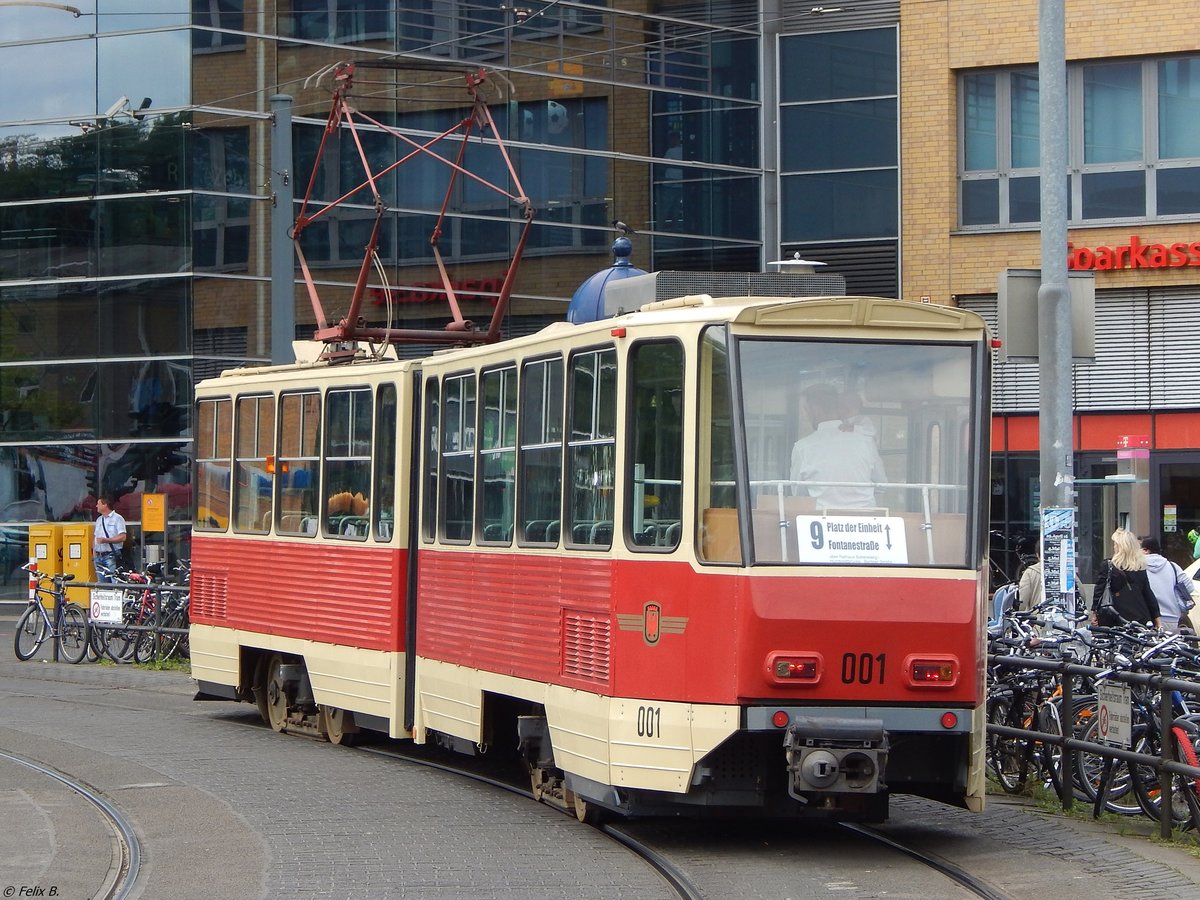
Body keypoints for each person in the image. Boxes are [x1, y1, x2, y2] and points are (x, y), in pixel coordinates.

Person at [790, 383, 887, 511]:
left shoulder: (802, 448)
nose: (805, 416)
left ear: (815, 410)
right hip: (866, 522)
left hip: (823, 523)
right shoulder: (865, 441)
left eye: (805, 410)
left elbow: (798, 494)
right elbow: (882, 485)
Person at [1091, 528, 1161, 629]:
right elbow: (1148, 594)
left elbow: (1099, 592)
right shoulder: (1139, 567)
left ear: (1120, 547)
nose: (1114, 547)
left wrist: (1094, 613)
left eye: (1115, 544)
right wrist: (1157, 619)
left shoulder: (1108, 566)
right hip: (1140, 618)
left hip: (1115, 618)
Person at [1141, 535, 1194, 633]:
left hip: (1148, 618)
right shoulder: (1172, 566)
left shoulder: (1138, 567)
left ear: (1145, 550)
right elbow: (1189, 587)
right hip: (1172, 618)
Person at [93, 495, 127, 583]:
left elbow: (123, 536)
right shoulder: (99, 520)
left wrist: (106, 540)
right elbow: (95, 537)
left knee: (115, 582)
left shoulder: (118, 518)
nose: (96, 506)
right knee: (102, 584)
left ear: (105, 505)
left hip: (111, 555)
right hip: (99, 556)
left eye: (98, 504)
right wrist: (94, 554)